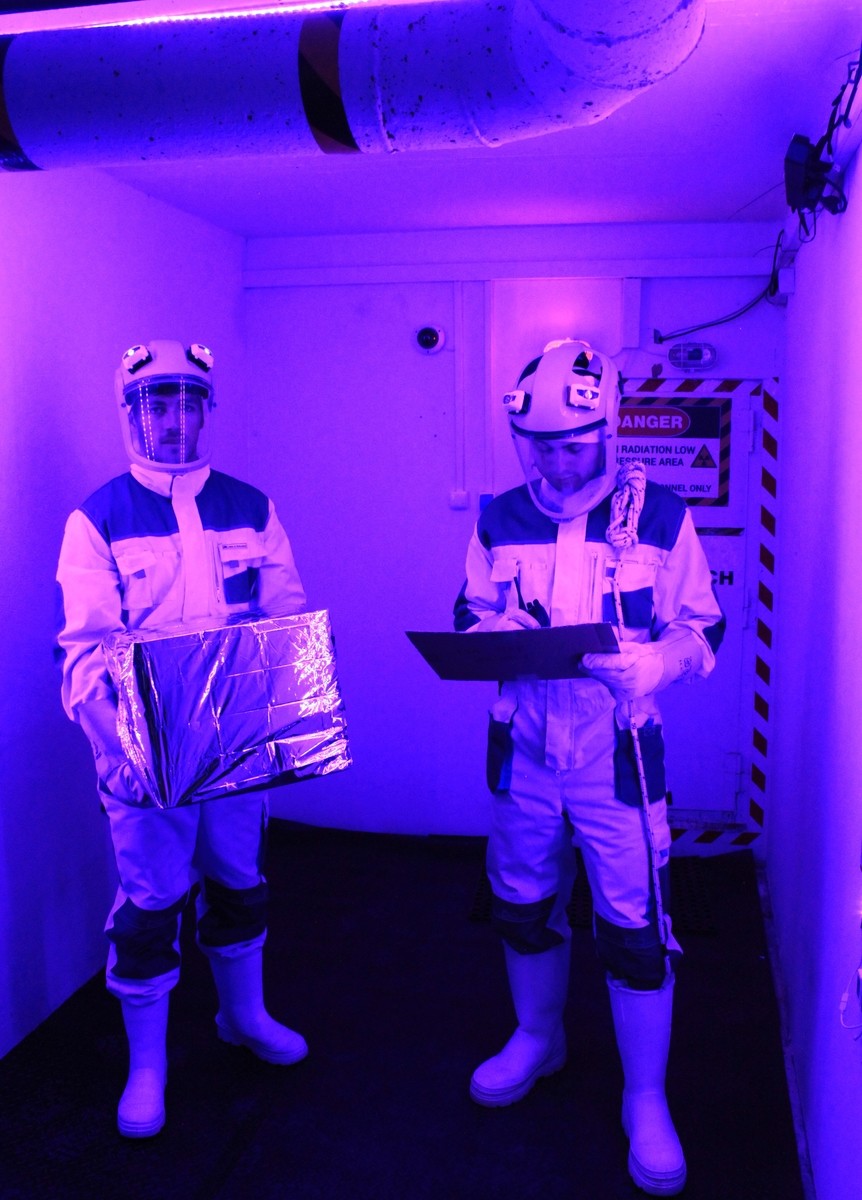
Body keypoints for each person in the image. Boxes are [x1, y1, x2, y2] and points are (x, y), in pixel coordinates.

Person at [453, 338, 724, 1197]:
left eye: (573, 445)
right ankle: (539, 1038)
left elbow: (703, 625)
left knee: (635, 926)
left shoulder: (661, 515)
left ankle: (645, 1096)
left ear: (608, 430)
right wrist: (490, 632)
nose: (556, 462)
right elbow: (469, 611)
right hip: (525, 751)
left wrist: (659, 662)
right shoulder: (499, 518)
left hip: (618, 755)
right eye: (540, 447)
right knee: (523, 902)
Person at [55, 340, 309, 1139]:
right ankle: (148, 1067)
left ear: (207, 411)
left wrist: (289, 722)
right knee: (150, 902)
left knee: (239, 880)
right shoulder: (97, 518)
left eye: (187, 402)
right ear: (129, 413)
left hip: (235, 744)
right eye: (155, 404)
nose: (172, 420)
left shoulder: (251, 506)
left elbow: (285, 621)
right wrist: (119, 748)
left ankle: (244, 1017)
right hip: (143, 751)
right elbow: (84, 653)